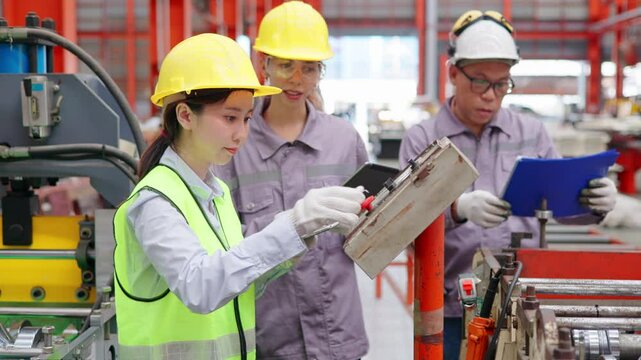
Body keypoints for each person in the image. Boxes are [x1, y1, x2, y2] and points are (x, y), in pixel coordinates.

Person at [112, 33, 365, 360]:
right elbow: (200, 286)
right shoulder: (156, 200)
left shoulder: (215, 194)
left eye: (247, 118)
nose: (242, 133)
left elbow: (235, 280)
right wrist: (289, 226)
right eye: (230, 118)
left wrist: (297, 240)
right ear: (186, 115)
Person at [399, 10, 618, 359]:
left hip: (522, 302)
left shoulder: (531, 133)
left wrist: (593, 205)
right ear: (453, 73)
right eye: (480, 81)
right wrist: (458, 208)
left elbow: (559, 206)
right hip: (451, 303)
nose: (491, 95)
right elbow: (403, 224)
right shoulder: (423, 139)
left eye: (502, 84)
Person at [215, 2, 370, 359]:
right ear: (264, 64)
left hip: (338, 337)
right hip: (270, 336)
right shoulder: (235, 145)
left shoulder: (343, 140)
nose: (297, 79)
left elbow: (370, 226)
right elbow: (223, 242)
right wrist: (288, 227)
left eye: (310, 68)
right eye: (285, 65)